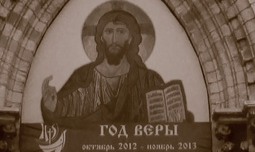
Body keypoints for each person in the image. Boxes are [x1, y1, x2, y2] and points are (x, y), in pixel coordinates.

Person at [41, 9, 169, 127]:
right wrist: (51, 107)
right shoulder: (83, 77)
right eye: (109, 31)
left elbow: (165, 127)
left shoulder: (149, 80)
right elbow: (60, 111)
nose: (114, 39)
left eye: (120, 31)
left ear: (130, 38)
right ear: (101, 38)